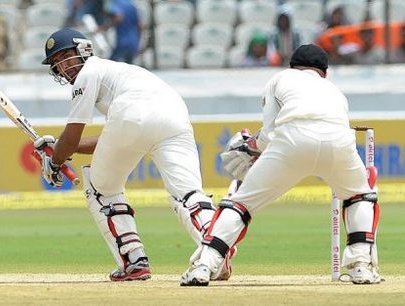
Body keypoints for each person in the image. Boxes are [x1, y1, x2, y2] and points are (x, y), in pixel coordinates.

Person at [33, 28, 235, 281]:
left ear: (83, 51)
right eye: (56, 64)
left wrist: (54, 160)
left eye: (65, 58)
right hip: (175, 115)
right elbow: (112, 135)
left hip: (135, 115)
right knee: (189, 195)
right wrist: (61, 147)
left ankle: (134, 261)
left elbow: (75, 134)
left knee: (101, 189)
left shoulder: (88, 73)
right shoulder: (120, 72)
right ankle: (215, 256)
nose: (63, 67)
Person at [180, 44, 381, 286]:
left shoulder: (280, 79)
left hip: (292, 141)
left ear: (292, 66)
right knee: (359, 196)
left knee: (241, 205)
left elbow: (268, 134)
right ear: (325, 72)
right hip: (339, 144)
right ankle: (361, 267)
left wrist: (250, 147)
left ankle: (204, 266)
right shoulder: (335, 91)